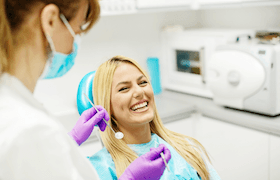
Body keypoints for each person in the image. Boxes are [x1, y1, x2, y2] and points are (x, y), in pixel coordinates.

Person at [0, 0, 171, 179]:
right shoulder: (31, 131)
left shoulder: (17, 113)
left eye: (143, 82)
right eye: (79, 28)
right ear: (50, 21)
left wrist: (71, 139)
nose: (75, 42)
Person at [88, 55, 222, 180]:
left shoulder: (186, 149)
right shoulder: (99, 169)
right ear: (107, 106)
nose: (140, 92)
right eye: (124, 88)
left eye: (143, 82)